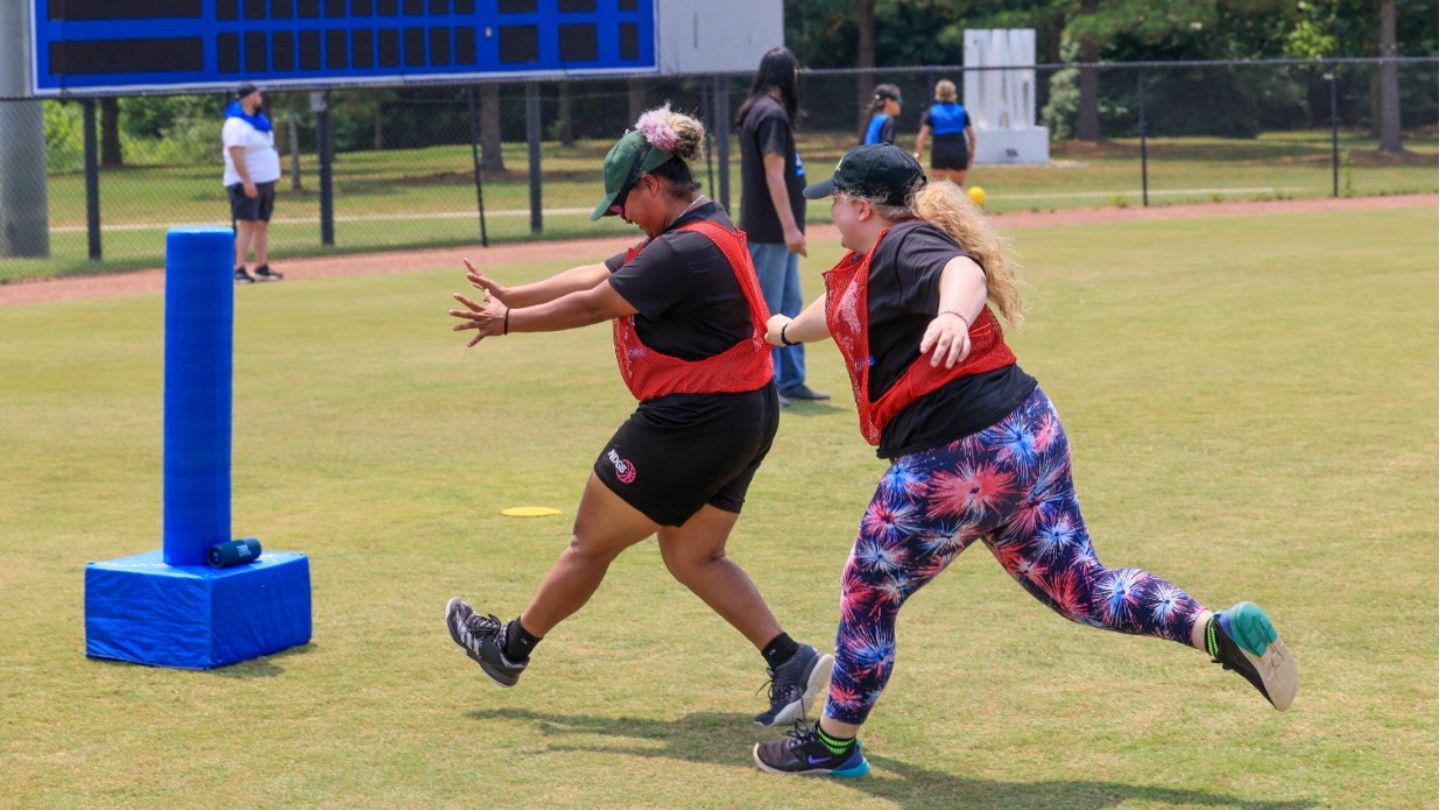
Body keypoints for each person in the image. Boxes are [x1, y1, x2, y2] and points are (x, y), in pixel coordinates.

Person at [751, 144, 1299, 777]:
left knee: (868, 589)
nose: (831, 215)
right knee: (1081, 587)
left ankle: (834, 745)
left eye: (836, 202)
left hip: (961, 458)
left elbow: (961, 274)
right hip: (1027, 431)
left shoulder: (906, 245)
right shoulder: (874, 261)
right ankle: (1214, 629)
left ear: (863, 206)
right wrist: (786, 329)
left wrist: (955, 314)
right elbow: (845, 312)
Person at [444, 106, 833, 728]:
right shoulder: (705, 226)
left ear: (651, 183)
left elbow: (595, 303)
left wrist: (509, 323)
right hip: (746, 412)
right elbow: (600, 270)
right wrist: (516, 293)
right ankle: (790, 661)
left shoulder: (680, 251)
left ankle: (508, 648)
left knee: (589, 540)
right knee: (693, 556)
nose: (621, 212)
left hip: (697, 417)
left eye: (623, 200)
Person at [736, 46, 828, 406]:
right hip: (770, 230)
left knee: (790, 303)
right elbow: (774, 174)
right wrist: (790, 228)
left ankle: (791, 379)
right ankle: (766, 383)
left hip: (774, 231)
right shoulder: (770, 114)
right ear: (787, 75)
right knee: (769, 308)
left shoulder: (760, 109)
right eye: (795, 73)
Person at [223, 84, 283, 284]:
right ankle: (238, 269)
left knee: (261, 225)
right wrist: (247, 181)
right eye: (256, 95)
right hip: (246, 183)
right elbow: (235, 154)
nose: (260, 98)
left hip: (264, 182)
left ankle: (261, 266)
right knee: (246, 226)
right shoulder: (236, 124)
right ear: (247, 98)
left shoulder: (258, 122)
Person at [914, 79, 976, 187]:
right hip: (958, 149)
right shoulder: (961, 111)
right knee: (958, 190)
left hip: (940, 150)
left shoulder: (932, 111)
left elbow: (921, 137)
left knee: (937, 190)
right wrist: (971, 153)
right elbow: (972, 136)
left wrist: (919, 156)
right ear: (953, 93)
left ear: (938, 93)